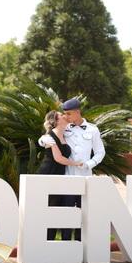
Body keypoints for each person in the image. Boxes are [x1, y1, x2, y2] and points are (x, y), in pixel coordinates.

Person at [39, 97, 106, 241]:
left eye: (69, 113)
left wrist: (89, 164)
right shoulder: (65, 127)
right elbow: (49, 134)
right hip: (67, 178)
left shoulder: (93, 130)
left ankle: (80, 244)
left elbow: (100, 152)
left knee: (84, 213)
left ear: (77, 112)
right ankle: (66, 243)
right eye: (64, 113)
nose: (66, 116)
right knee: (67, 214)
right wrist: (43, 140)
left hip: (85, 178)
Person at [38, 110, 84, 240]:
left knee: (56, 208)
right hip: (49, 173)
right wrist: (76, 164)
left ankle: (51, 241)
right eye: (61, 115)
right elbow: (58, 158)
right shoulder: (50, 137)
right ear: (56, 121)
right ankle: (46, 240)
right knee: (50, 207)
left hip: (59, 175)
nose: (65, 116)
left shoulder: (65, 134)